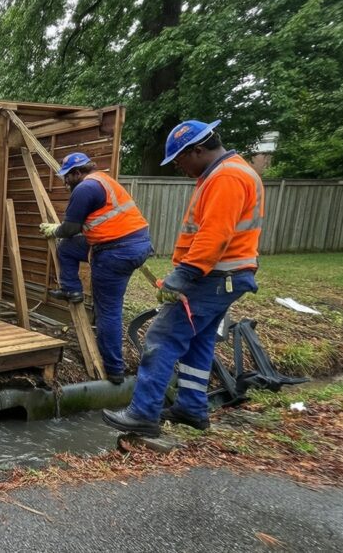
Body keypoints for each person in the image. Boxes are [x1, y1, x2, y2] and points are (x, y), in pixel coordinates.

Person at [102, 119, 264, 437]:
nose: (180, 167)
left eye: (180, 160)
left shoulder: (226, 176)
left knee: (161, 338)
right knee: (198, 341)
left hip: (213, 276)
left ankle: (143, 414)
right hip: (226, 276)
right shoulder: (231, 171)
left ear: (197, 150)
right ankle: (191, 408)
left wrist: (183, 275)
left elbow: (214, 234)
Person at [38, 152, 154, 384]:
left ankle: (114, 369)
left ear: (77, 173)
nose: (65, 182)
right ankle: (71, 289)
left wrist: (54, 230)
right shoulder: (103, 180)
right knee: (67, 248)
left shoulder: (85, 188)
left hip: (115, 252)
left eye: (67, 176)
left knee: (108, 310)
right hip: (135, 245)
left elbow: (70, 229)